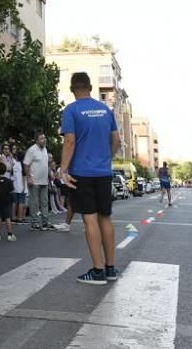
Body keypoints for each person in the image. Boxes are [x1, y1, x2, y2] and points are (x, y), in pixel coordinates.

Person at [59, 72, 120, 285]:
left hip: (82, 173)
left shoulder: (71, 110)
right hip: (104, 172)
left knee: (90, 219)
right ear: (91, 87)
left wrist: (62, 169)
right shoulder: (106, 110)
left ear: (72, 88)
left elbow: (69, 141)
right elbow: (116, 140)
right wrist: (106, 159)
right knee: (106, 218)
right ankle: (111, 268)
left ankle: (97, 271)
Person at [24, 132, 51, 230]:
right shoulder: (31, 150)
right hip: (34, 181)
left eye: (44, 138)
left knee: (44, 202)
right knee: (34, 203)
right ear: (37, 140)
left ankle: (45, 222)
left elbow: (45, 165)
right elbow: (26, 164)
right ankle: (34, 222)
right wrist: (28, 177)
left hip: (44, 180)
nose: (44, 140)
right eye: (42, 138)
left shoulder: (45, 149)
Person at [12, 150, 27, 223]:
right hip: (21, 186)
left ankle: (13, 216)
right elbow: (24, 176)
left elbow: (13, 176)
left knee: (14, 202)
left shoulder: (15, 165)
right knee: (21, 202)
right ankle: (20, 217)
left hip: (15, 185)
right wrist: (24, 187)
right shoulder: (22, 165)